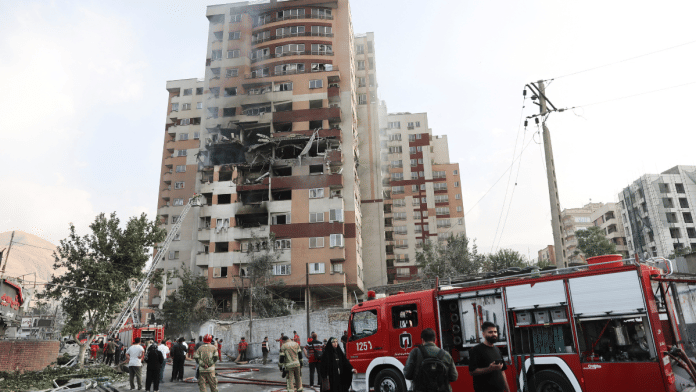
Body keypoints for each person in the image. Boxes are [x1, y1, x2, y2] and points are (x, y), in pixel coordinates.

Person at [404, 328, 458, 392]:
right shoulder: (445, 354)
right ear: (435, 340)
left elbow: (407, 375)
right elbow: (454, 377)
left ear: (422, 340)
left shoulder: (415, 352)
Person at [468, 322, 510, 392]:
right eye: (490, 332)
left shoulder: (497, 349)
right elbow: (472, 372)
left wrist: (508, 390)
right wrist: (489, 369)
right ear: (483, 334)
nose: (494, 334)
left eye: (495, 332)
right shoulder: (476, 350)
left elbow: (502, 372)